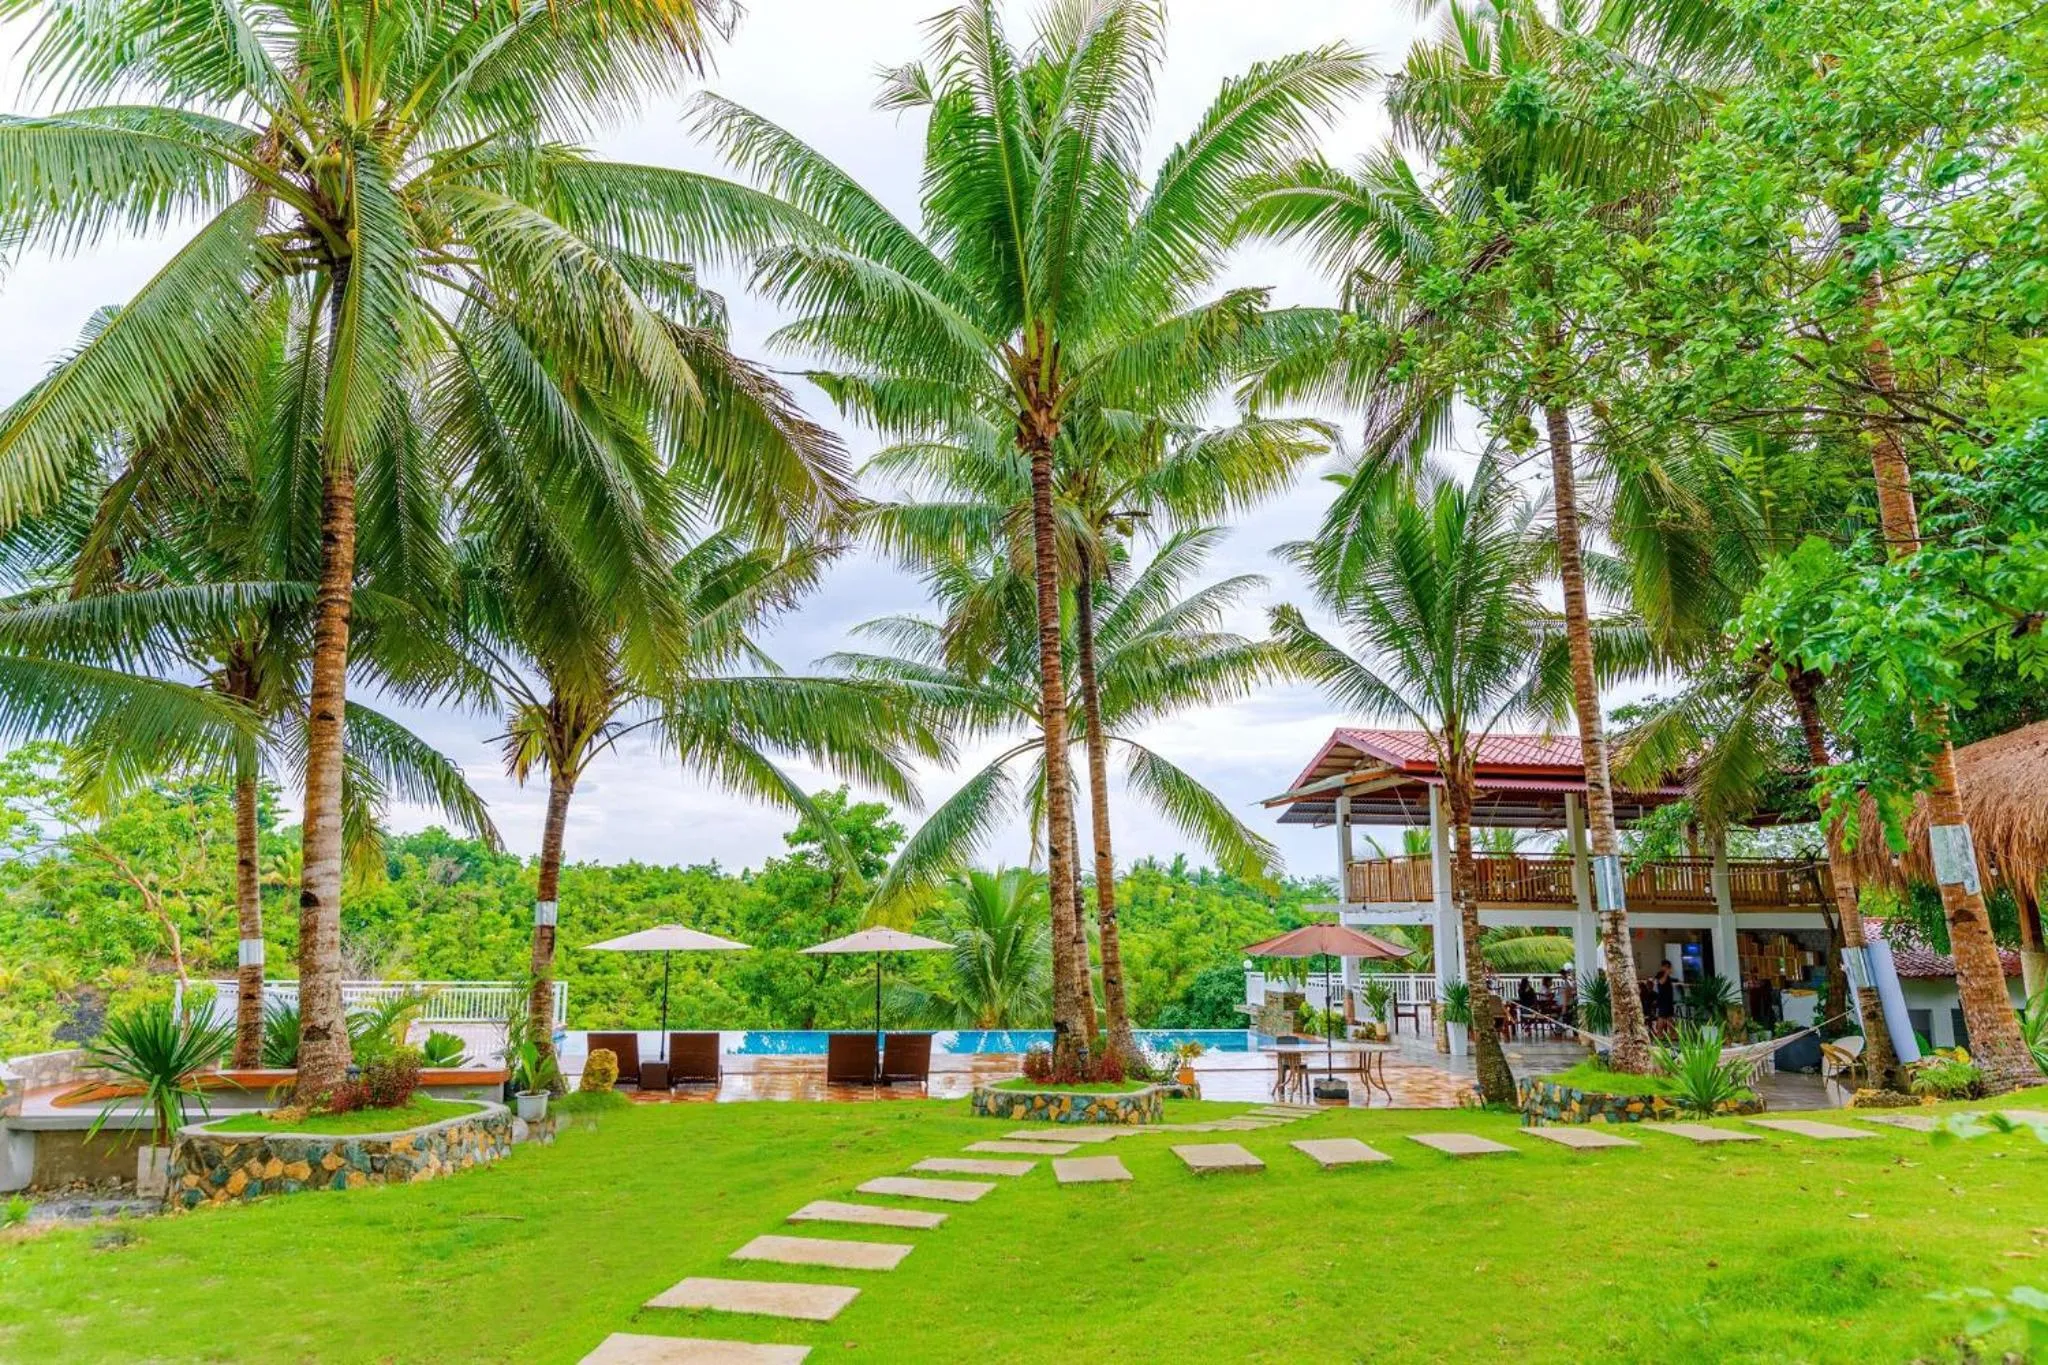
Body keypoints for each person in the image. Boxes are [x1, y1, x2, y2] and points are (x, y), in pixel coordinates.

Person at [1651, 961, 1679, 1037]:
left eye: (1668, 967)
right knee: (1662, 1017)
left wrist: (1668, 973)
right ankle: (1659, 1033)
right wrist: (1666, 973)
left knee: (1670, 1017)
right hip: (1663, 999)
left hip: (1668, 999)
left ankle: (1673, 1034)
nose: (1667, 968)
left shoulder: (1668, 976)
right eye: (1665, 967)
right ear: (1663, 966)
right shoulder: (1660, 974)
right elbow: (1661, 982)